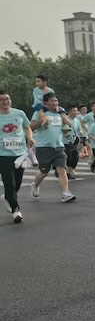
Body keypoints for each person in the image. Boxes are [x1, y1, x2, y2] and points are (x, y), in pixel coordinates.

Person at [29, 93, 76, 203]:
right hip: (44, 147)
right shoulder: (39, 113)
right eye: (52, 101)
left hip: (59, 147)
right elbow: (31, 127)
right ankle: (35, 185)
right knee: (44, 172)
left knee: (62, 170)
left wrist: (69, 135)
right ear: (45, 103)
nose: (55, 103)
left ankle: (65, 193)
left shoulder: (60, 114)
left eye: (56, 101)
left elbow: (65, 128)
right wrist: (41, 121)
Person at [0, 90, 33, 223]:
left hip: (20, 154)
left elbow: (27, 127)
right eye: (2, 99)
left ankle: (8, 197)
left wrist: (30, 138)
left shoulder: (19, 113)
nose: (5, 101)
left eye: (7, 98)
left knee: (18, 183)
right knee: (10, 184)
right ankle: (16, 210)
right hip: (3, 155)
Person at [63, 106, 82, 180]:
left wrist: (80, 133)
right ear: (69, 112)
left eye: (76, 111)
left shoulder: (77, 120)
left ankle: (68, 172)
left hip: (74, 142)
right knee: (68, 158)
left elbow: (79, 129)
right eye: (74, 111)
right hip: (65, 142)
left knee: (75, 158)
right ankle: (65, 173)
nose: (76, 112)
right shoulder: (65, 119)